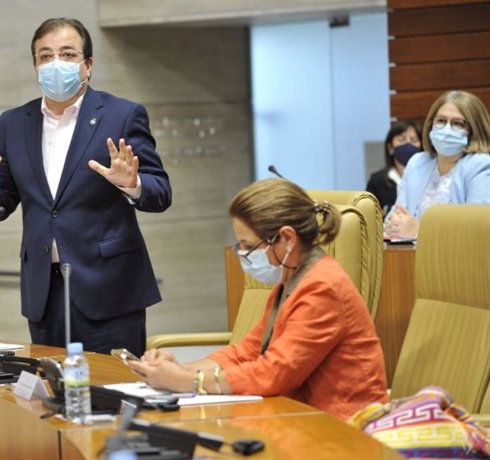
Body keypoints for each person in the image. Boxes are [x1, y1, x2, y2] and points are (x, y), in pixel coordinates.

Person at [0, 17, 172, 356]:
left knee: (111, 393)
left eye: (68, 55)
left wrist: (134, 184)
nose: (56, 64)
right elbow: (3, 202)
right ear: (35, 66)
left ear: (88, 65)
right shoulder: (14, 123)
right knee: (51, 394)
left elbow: (161, 193)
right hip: (44, 290)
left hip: (108, 288)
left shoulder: (122, 115)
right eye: (45, 56)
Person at [129, 179, 388, 421]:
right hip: (301, 418)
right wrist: (178, 372)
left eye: (248, 245)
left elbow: (274, 373)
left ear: (287, 238)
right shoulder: (291, 280)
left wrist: (188, 381)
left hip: (343, 429)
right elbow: (247, 352)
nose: (242, 254)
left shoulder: (323, 287)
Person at [385, 90, 490, 239]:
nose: (446, 129)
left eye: (457, 123)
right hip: (406, 256)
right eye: (441, 121)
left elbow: (478, 231)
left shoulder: (481, 165)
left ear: (474, 130)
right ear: (431, 124)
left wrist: (418, 230)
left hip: (457, 260)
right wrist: (394, 224)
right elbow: (396, 215)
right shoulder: (417, 162)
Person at [366, 120, 422, 216]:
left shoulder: (429, 179)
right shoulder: (377, 181)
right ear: (390, 148)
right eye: (401, 140)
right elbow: (369, 216)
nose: (408, 144)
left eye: (414, 140)